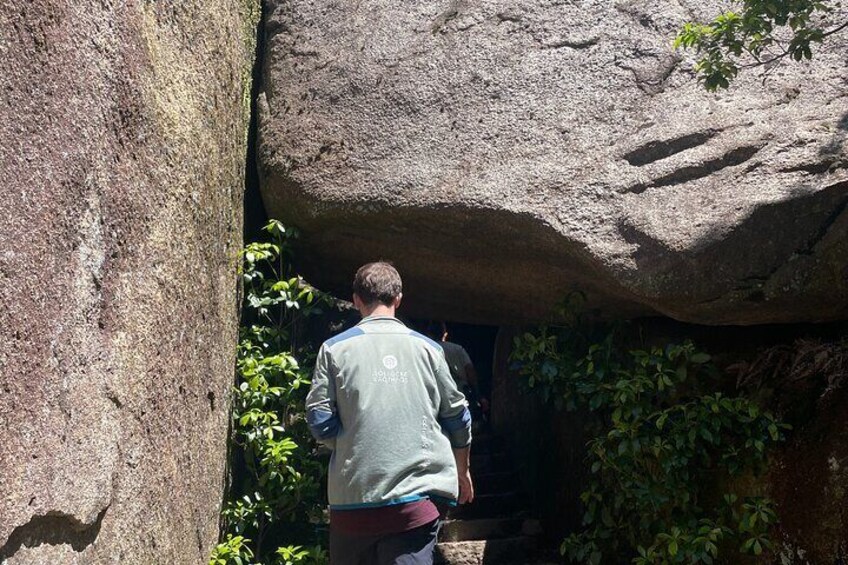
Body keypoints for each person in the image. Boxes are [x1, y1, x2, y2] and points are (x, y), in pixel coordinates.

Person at [306, 261, 474, 565]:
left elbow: (319, 420)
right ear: (398, 299)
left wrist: (351, 440)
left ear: (356, 300)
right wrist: (462, 472)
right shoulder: (429, 350)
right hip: (413, 505)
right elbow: (458, 417)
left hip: (351, 504)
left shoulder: (332, 350)